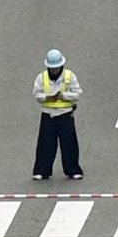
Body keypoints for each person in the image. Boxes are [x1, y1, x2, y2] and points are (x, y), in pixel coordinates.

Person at [32, 49, 83, 180]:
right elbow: (37, 94)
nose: (54, 70)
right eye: (52, 68)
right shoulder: (41, 77)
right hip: (48, 114)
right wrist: (46, 98)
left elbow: (77, 93)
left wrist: (64, 96)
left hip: (65, 114)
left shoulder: (70, 76)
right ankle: (42, 171)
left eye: (57, 68)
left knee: (69, 143)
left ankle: (73, 169)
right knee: (45, 144)